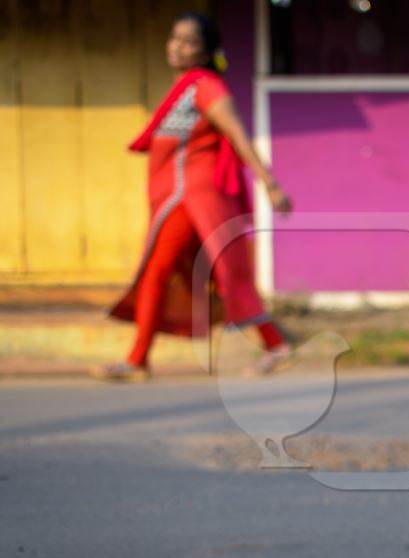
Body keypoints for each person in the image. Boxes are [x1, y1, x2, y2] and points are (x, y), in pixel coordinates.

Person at [93, 12, 292, 382]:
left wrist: (270, 183)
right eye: (174, 37)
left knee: (168, 272)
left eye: (188, 41)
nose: (177, 46)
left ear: (205, 53)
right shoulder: (185, 89)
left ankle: (138, 360)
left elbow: (238, 136)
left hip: (194, 197)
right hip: (181, 197)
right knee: (214, 272)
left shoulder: (206, 87)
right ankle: (275, 344)